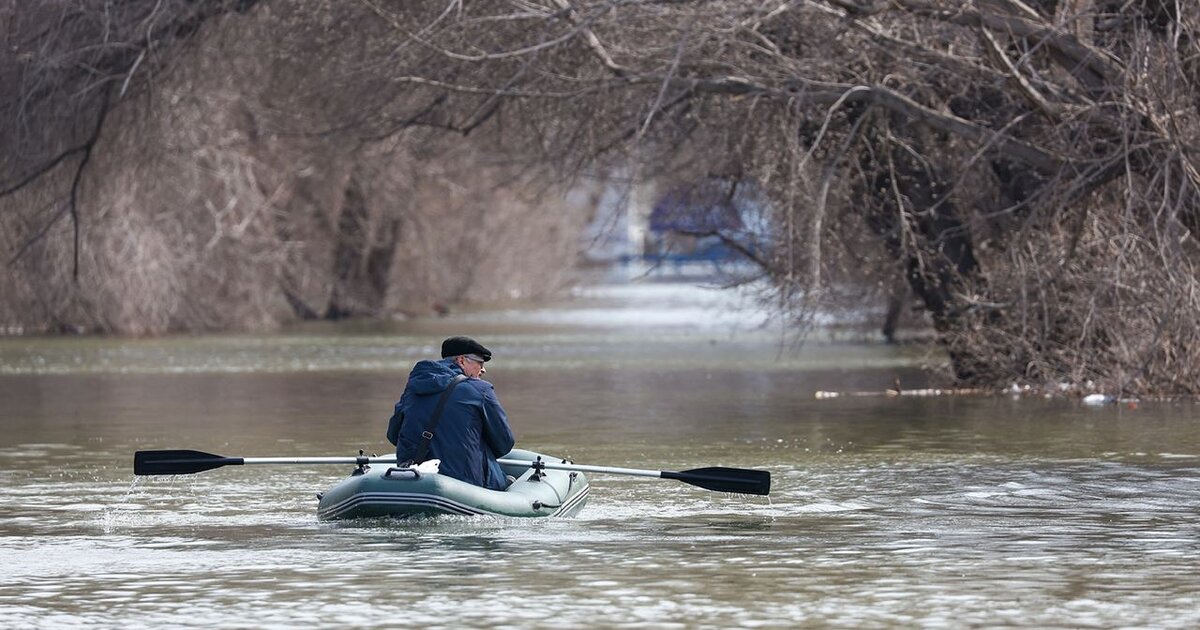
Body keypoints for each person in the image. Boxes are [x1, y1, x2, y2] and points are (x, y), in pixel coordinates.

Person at [386, 336, 515, 490]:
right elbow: (504, 443)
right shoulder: (481, 390)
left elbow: (393, 435)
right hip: (466, 483)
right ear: (461, 361)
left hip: (413, 480)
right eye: (479, 362)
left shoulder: (413, 387)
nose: (483, 369)